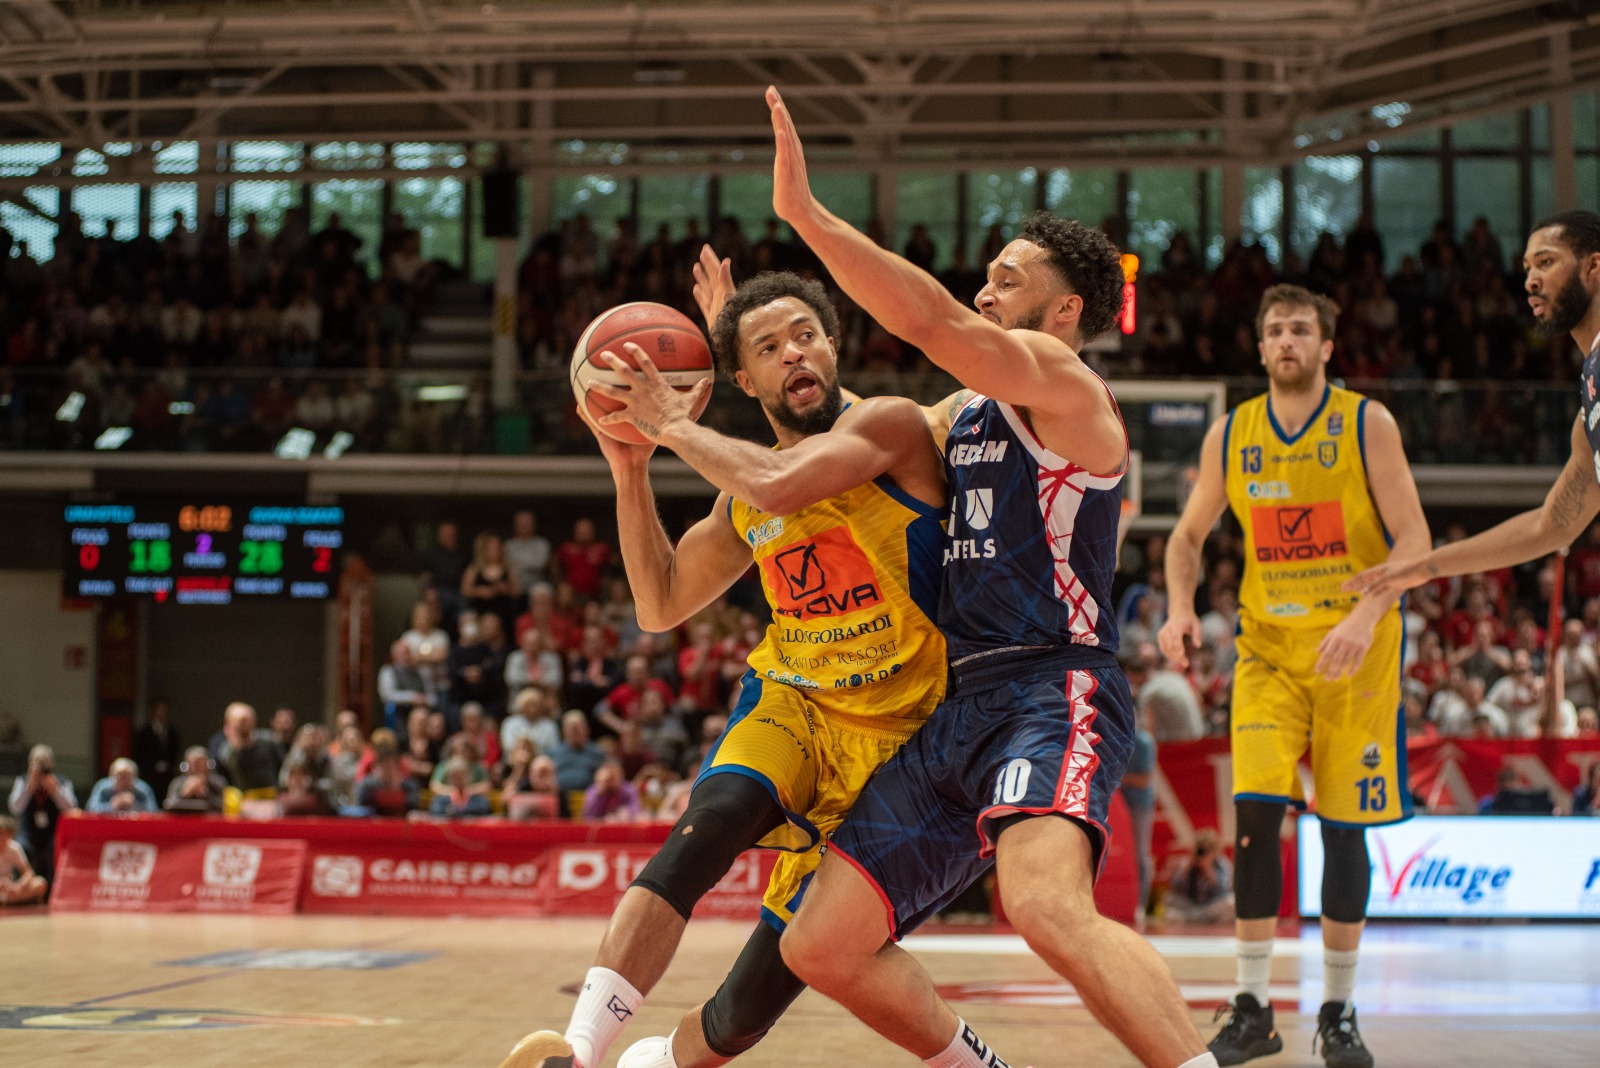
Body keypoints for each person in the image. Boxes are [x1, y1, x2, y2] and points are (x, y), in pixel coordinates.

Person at [707, 87, 1208, 1068]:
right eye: (985, 277)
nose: (984, 292)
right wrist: (747, 356)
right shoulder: (961, 414)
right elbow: (845, 432)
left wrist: (808, 218)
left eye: (1007, 281)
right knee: (819, 944)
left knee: (1044, 905)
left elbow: (929, 319)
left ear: (1062, 312)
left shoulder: (1066, 386)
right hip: (958, 704)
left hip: (1052, 686)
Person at [501, 250, 949, 1068]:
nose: (795, 354)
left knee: (744, 1011)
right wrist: (629, 467)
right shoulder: (741, 495)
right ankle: (578, 1050)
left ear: (835, 346)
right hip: (793, 705)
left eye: (806, 335)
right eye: (769, 349)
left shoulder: (889, 426)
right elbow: (659, 603)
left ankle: (656, 1063)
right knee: (707, 827)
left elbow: (779, 480)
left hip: (900, 742)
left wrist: (670, 423)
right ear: (742, 381)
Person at [1159, 283, 1430, 1068]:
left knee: (1343, 832)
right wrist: (1180, 607)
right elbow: (1186, 536)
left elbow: (1414, 540)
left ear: (1326, 346)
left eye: (1301, 329)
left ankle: (1339, 1013)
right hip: (1269, 653)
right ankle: (1252, 1009)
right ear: (1259, 347)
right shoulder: (1232, 433)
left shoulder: (1366, 423)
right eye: (1275, 329)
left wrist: (1365, 614)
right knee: (1253, 819)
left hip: (1356, 652)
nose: (1287, 340)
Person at [1347, 211, 1600, 655]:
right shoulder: (1588, 407)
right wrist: (1425, 566)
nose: (1530, 280)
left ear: (1594, 267)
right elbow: (1548, 527)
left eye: (1546, 262)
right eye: (1527, 267)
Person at [7, 745, 78, 889]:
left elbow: (72, 809)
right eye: (36, 763)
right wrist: (29, 789)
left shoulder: (61, 782)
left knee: (56, 848)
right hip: (29, 832)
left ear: (52, 765)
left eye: (44, 765)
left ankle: (54, 890)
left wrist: (56, 791)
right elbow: (14, 808)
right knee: (21, 846)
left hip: (53, 832)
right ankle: (22, 890)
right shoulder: (23, 781)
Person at [1162, 828, 1236, 925]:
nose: (1203, 853)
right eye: (1201, 849)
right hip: (1190, 907)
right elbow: (1175, 888)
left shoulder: (1222, 864)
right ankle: (1193, 921)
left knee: (1231, 902)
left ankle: (1204, 923)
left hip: (1211, 907)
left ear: (1215, 850)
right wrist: (1187, 868)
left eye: (1207, 849)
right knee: (1169, 899)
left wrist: (1208, 869)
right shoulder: (1187, 863)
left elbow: (1224, 890)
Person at [132, 699, 182, 800]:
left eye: (164, 710)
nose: (162, 713)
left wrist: (167, 765)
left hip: (167, 775)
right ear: (153, 711)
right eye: (159, 710)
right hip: (149, 775)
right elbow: (139, 753)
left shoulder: (172, 732)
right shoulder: (144, 732)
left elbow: (175, 751)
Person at [0, 814, 48, 906]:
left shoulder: (14, 848)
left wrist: (18, 886)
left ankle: (9, 900)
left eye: (6, 834)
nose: (3, 837)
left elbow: (28, 873)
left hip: (10, 889)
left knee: (40, 883)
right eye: (0, 834)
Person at [164, 747, 227, 814]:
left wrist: (205, 793)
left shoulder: (218, 783)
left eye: (199, 764)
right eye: (191, 764)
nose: (194, 768)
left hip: (210, 819)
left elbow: (224, 807)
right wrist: (183, 793)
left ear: (207, 765)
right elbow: (168, 805)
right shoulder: (177, 783)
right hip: (184, 819)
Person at [85, 758, 159, 814]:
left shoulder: (143, 789)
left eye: (128, 777)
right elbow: (90, 809)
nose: (124, 781)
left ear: (135, 777)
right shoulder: (102, 787)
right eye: (120, 776)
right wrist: (112, 805)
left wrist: (134, 805)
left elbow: (154, 811)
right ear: (111, 776)